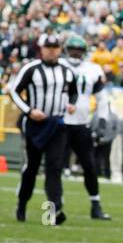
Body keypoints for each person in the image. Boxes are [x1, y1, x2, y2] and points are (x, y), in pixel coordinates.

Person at [8, 33, 76, 224]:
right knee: (32, 168)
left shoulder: (67, 70)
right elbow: (13, 90)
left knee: (54, 168)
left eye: (55, 48)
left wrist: (71, 104)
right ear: (42, 49)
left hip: (57, 125)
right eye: (48, 48)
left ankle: (52, 213)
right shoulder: (31, 69)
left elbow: (73, 92)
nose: (52, 51)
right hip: (35, 125)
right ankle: (22, 205)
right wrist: (29, 111)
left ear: (60, 50)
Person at [63, 35, 111, 219]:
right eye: (72, 49)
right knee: (53, 168)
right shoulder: (58, 66)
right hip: (60, 123)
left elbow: (102, 99)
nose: (75, 53)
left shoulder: (92, 69)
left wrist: (102, 121)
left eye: (79, 50)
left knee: (90, 167)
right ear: (67, 50)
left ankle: (96, 205)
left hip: (81, 125)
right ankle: (52, 209)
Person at [91, 97, 119, 180]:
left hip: (107, 141)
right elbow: (92, 125)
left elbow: (116, 129)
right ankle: (96, 173)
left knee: (106, 158)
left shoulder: (113, 116)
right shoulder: (96, 114)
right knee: (96, 157)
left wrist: (110, 138)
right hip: (97, 140)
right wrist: (94, 135)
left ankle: (107, 174)